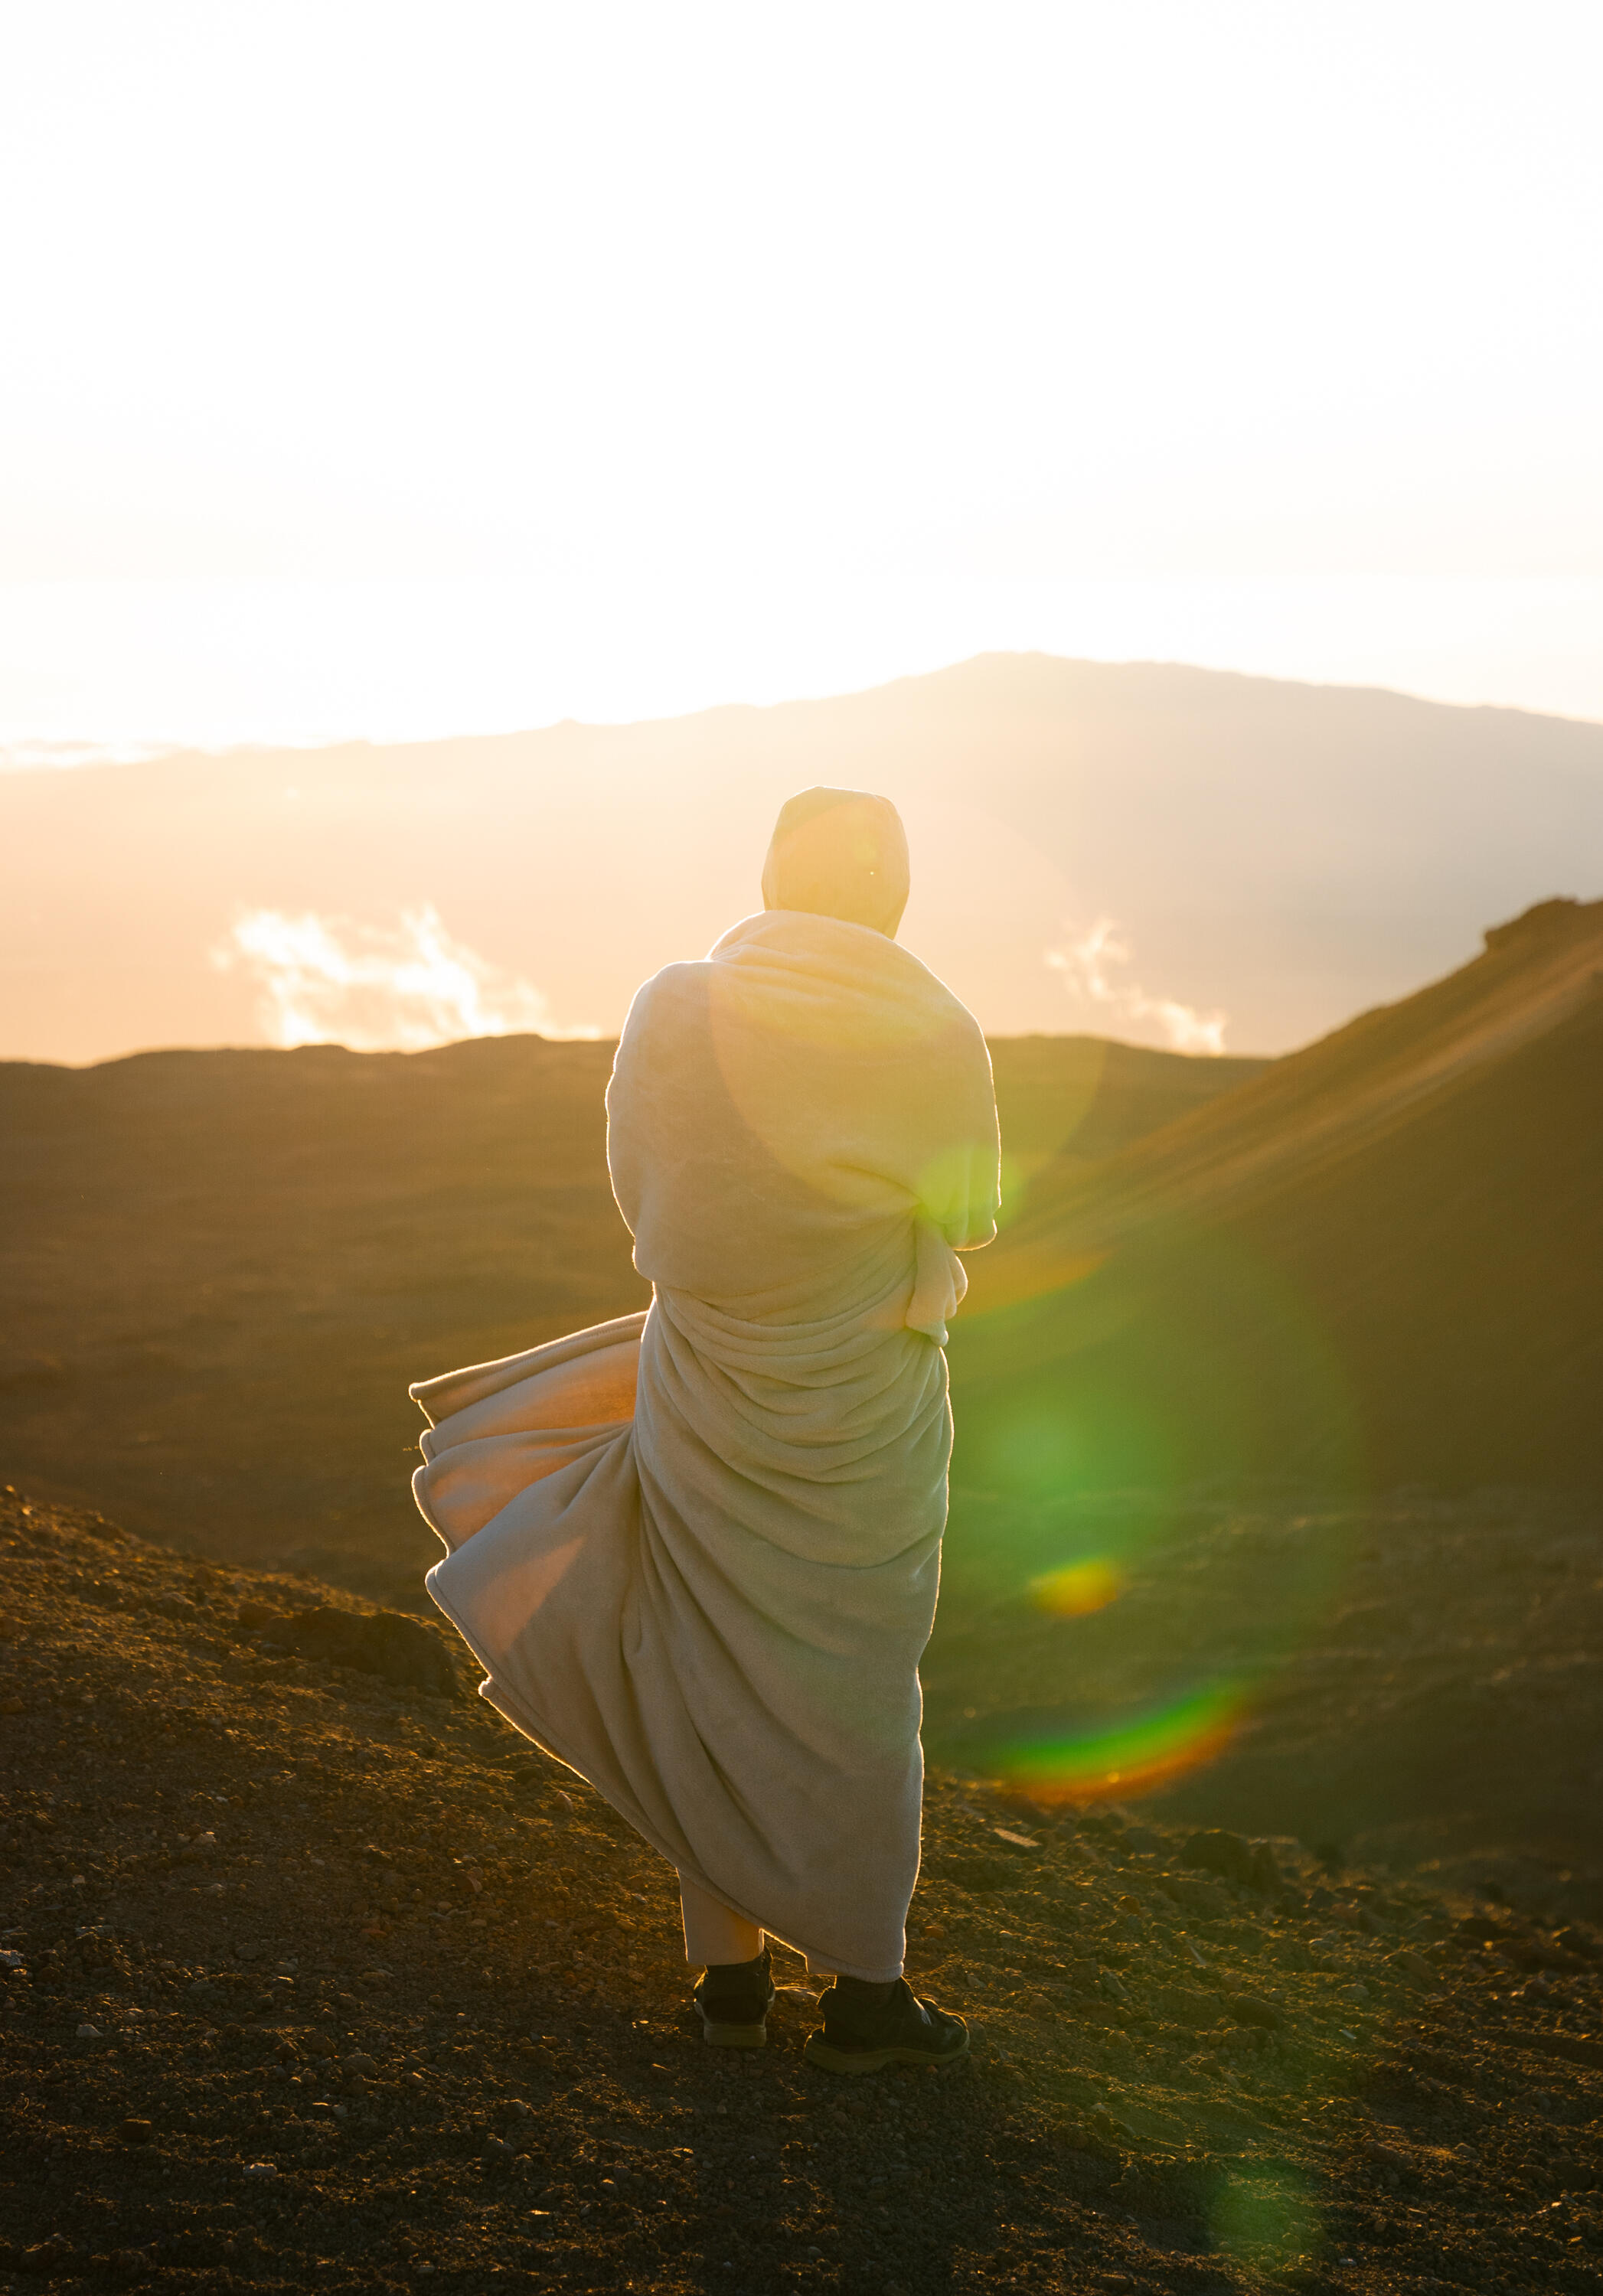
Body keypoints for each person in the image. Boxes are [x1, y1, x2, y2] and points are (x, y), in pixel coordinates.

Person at [409, 787, 1001, 2073]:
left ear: (775, 877)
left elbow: (640, 1190)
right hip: (858, 1402)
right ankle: (863, 1992)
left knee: (699, 1655)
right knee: (847, 1688)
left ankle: (727, 1981)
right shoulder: (935, 1027)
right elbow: (968, 1210)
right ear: (892, 892)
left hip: (704, 1371)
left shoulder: (675, 1003)